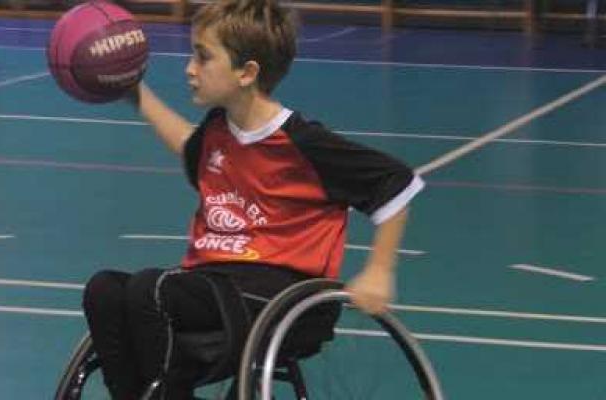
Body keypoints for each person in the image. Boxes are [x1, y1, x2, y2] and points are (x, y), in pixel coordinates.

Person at [82, 0, 424, 398]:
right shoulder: (216, 131)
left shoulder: (304, 143)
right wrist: (138, 96)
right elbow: (188, 146)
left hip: (280, 292)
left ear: (247, 72)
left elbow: (396, 184)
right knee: (103, 289)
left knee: (150, 289)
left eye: (203, 56)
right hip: (213, 282)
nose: (190, 68)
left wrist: (380, 271)